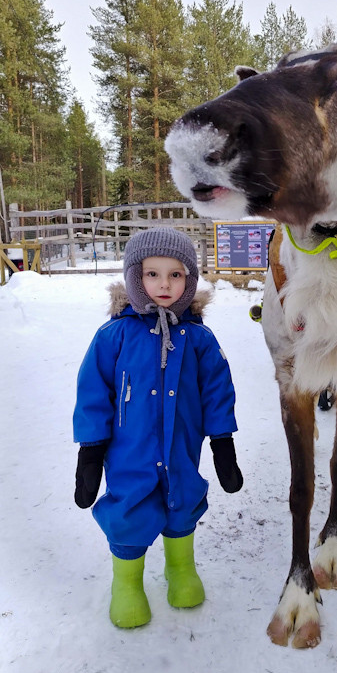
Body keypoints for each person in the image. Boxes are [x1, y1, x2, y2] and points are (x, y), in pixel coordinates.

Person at [73, 226, 242, 629]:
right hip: (129, 452)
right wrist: (91, 450)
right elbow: (93, 392)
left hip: (183, 448)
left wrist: (222, 443)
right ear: (135, 276)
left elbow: (217, 390)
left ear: (189, 280)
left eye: (175, 274)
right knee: (129, 508)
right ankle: (127, 584)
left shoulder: (199, 337)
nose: (164, 284)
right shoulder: (113, 335)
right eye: (152, 274)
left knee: (183, 499)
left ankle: (181, 568)